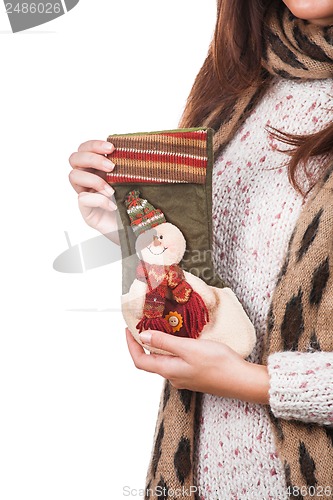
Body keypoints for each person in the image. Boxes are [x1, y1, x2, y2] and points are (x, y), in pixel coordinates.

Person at [69, 1, 333, 498]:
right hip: (201, 479)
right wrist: (137, 232)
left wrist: (257, 383)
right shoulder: (245, 78)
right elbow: (224, 284)